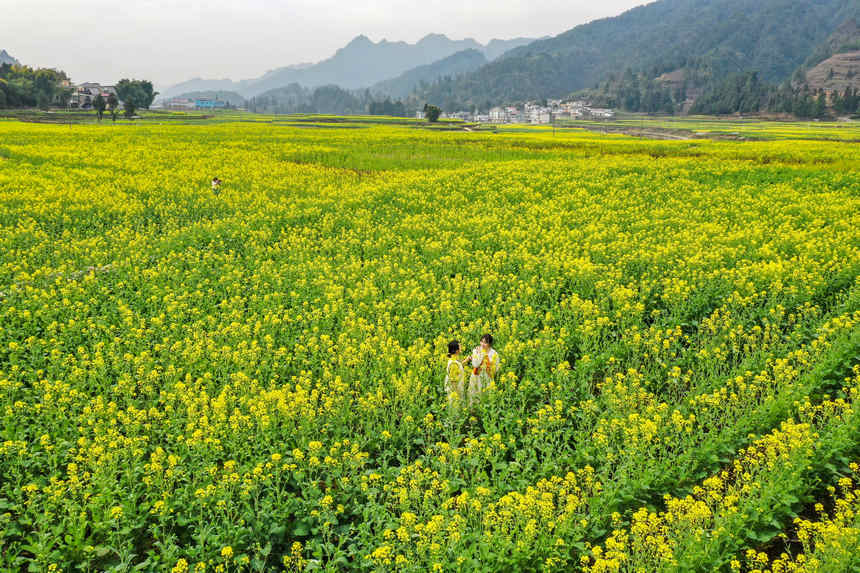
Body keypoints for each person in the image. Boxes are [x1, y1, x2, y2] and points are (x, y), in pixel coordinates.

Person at [469, 334, 500, 403]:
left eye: (485, 342)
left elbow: (496, 368)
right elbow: (475, 364)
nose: (482, 344)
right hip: (476, 376)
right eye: (481, 341)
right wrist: (481, 354)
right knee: (474, 395)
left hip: (487, 377)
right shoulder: (476, 351)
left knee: (487, 396)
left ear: (489, 344)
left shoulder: (494, 354)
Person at [444, 340, 469, 406]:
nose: (461, 347)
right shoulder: (453, 364)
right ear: (456, 350)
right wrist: (456, 395)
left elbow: (459, 366)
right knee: (456, 411)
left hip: (456, 392)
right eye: (460, 346)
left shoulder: (453, 360)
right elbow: (453, 381)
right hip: (455, 394)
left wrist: (466, 360)